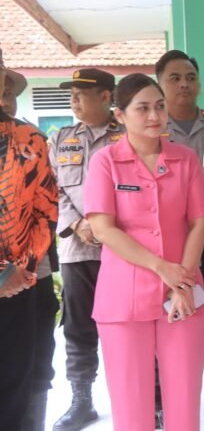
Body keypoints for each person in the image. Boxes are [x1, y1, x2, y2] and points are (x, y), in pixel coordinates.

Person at [84, 73, 204, 430]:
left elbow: (199, 222)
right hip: (123, 297)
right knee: (130, 406)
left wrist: (181, 282)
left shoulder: (186, 159)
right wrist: (161, 268)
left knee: (184, 402)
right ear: (120, 115)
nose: (154, 116)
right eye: (142, 108)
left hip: (182, 294)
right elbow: (103, 228)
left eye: (159, 106)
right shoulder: (105, 162)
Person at [155, 49, 204, 429]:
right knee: (165, 332)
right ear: (160, 85)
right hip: (167, 255)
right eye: (174, 77)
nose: (184, 84)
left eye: (190, 77)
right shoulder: (148, 132)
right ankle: (159, 405)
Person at [50, 68, 124, 431]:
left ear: (107, 97)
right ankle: (82, 400)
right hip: (78, 252)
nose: (74, 100)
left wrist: (109, 228)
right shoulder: (60, 139)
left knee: (131, 326)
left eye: (82, 93)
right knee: (78, 329)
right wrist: (78, 224)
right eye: (72, 94)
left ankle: (146, 399)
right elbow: (52, 189)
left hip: (123, 251)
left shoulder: (129, 134)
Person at [0, 47, 59, 430]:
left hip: (16, 287)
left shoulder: (29, 140)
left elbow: (45, 211)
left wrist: (20, 271)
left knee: (14, 391)